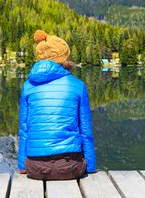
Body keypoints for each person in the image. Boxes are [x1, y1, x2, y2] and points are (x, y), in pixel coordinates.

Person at [17, 30, 96, 180]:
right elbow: (86, 132)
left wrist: (23, 166)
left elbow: (24, 130)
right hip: (70, 167)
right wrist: (90, 167)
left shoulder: (28, 86)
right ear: (64, 55)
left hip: (36, 168)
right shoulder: (78, 85)